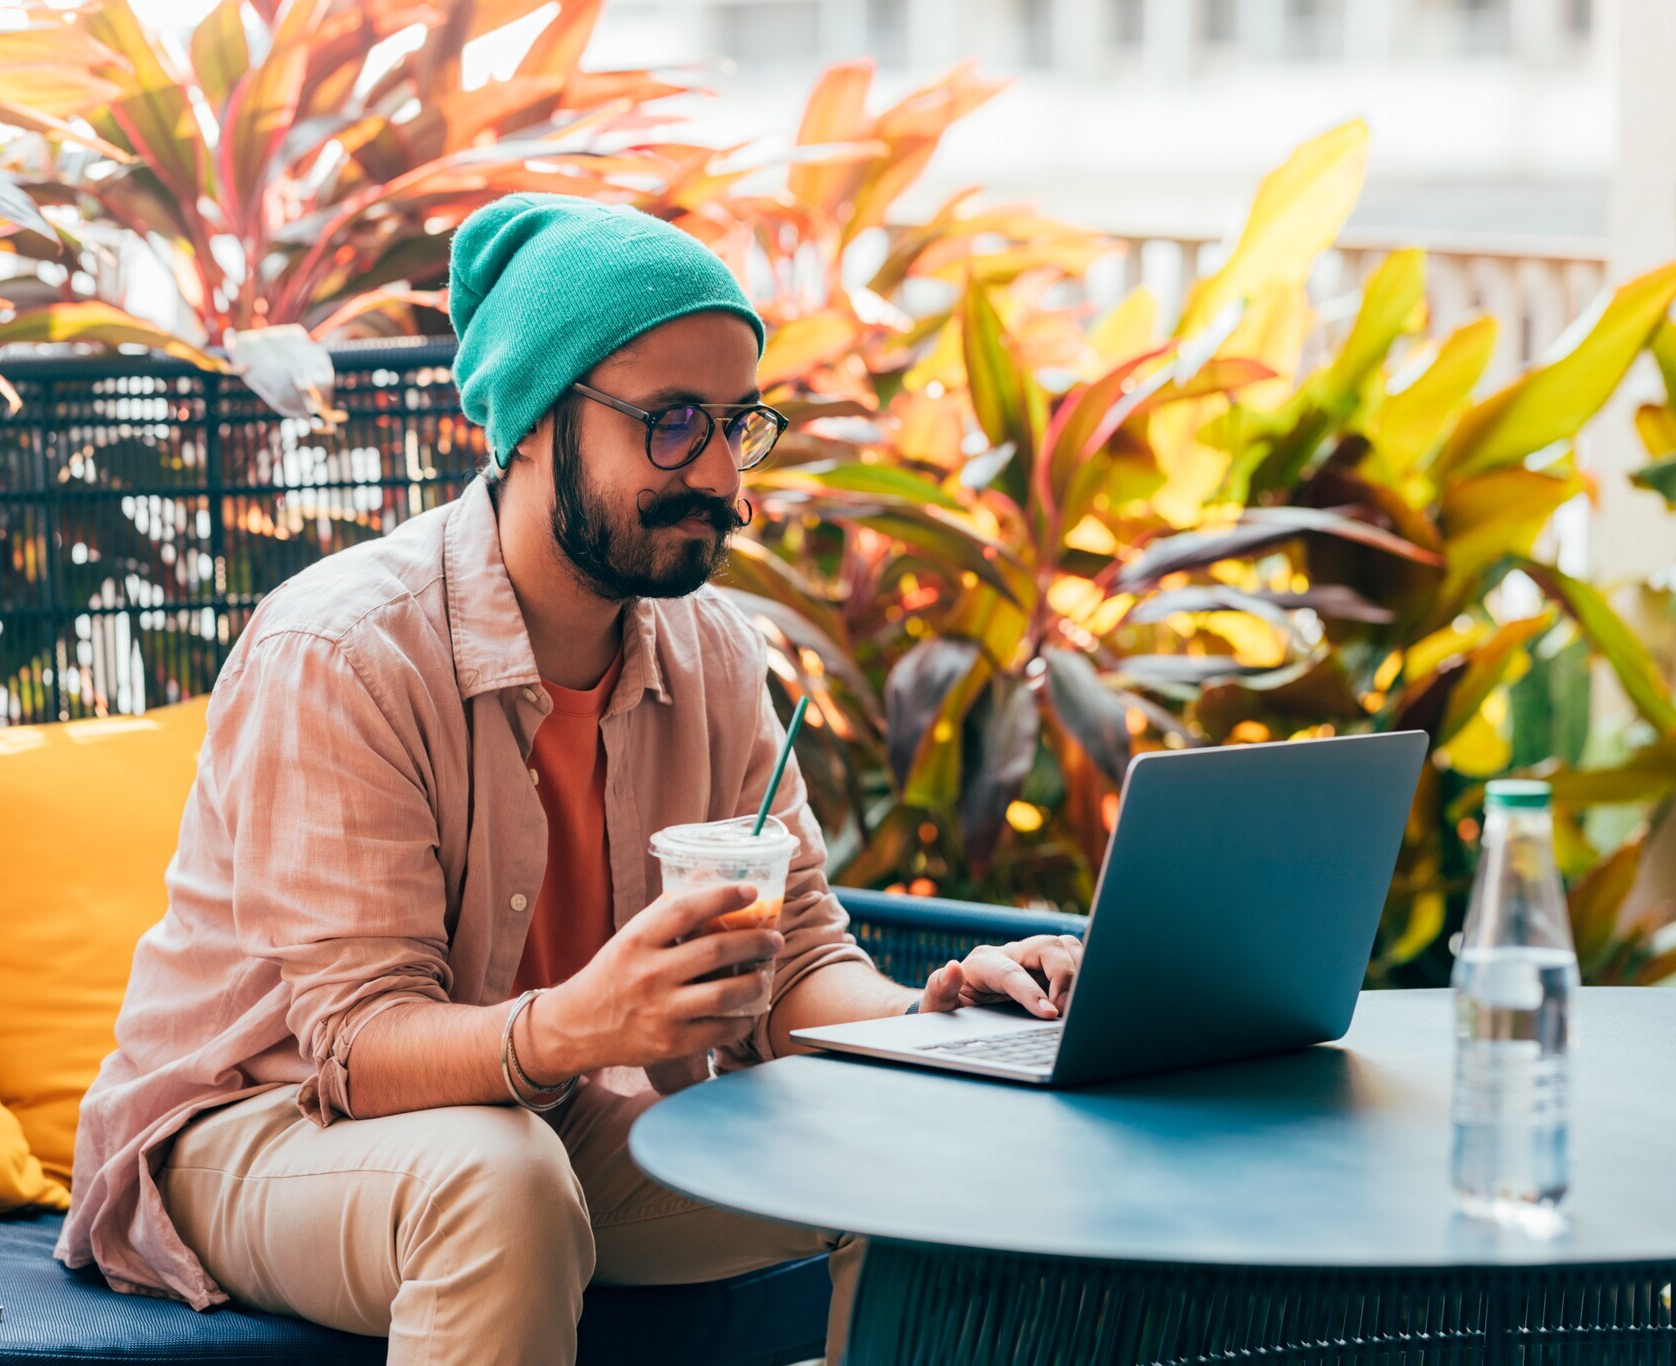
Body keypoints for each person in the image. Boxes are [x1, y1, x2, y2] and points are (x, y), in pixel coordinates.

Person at [54, 191, 1086, 1366]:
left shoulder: (709, 653)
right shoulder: (343, 653)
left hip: (540, 1114)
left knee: (919, 1153)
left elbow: (796, 964)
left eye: (735, 424)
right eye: (670, 423)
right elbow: (353, 1043)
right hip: (258, 1123)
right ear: (537, 419)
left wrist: (936, 1023)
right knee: (495, 1181)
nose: (719, 479)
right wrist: (579, 1024)